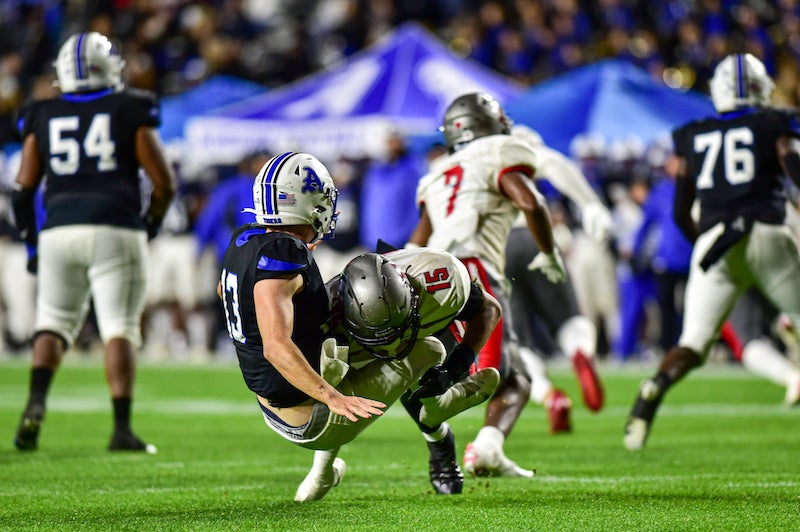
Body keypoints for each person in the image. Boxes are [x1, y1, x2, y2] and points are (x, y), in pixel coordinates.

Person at [218, 152, 460, 502]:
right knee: (427, 347)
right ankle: (439, 424)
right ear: (309, 203)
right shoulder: (284, 254)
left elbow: (232, 296)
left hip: (275, 401)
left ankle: (323, 471)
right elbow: (275, 346)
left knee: (338, 326)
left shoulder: (246, 239)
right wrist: (332, 397)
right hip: (311, 418)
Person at [624, 53, 800, 451]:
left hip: (715, 240)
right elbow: (795, 171)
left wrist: (703, 242)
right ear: (761, 87)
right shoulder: (774, 123)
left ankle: (654, 387)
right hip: (767, 230)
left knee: (693, 342)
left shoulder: (692, 133)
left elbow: (680, 209)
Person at [11, 31, 176, 452]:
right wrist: (150, 224)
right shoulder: (129, 107)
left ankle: (34, 404)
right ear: (111, 66)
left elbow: (23, 188)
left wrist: (31, 241)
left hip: (59, 229)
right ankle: (121, 428)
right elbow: (164, 183)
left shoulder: (43, 112)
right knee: (119, 327)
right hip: (115, 226)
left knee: (51, 321)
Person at [408, 92, 566, 477]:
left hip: (428, 276)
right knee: (497, 376)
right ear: (489, 121)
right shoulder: (499, 151)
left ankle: (487, 448)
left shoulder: (436, 174)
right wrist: (548, 251)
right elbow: (532, 204)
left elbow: (417, 242)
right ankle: (458, 418)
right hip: (475, 274)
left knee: (508, 375)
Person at [324, 245, 502, 495]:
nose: (393, 345)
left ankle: (438, 429)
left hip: (422, 314)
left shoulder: (441, 283)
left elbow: (489, 308)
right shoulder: (325, 318)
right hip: (358, 338)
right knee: (343, 387)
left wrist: (457, 365)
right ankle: (438, 433)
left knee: (425, 362)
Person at [504, 124, 610, 434]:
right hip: (539, 235)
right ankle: (579, 353)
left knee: (517, 342)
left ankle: (550, 397)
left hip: (498, 247)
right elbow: (554, 163)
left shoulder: (477, 155)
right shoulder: (522, 144)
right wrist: (590, 203)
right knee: (568, 318)